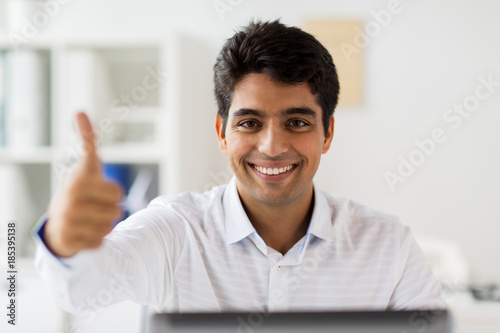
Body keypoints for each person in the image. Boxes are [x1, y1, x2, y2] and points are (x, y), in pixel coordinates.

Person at [34, 20, 444, 315]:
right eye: (250, 122)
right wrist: (65, 242)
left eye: (297, 122)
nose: (272, 146)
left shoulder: (389, 246)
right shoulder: (176, 229)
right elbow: (83, 291)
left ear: (327, 133)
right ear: (222, 132)